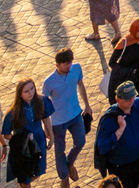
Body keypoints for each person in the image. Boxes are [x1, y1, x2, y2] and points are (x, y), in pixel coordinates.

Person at [91, 83, 139, 188]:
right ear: (118, 100)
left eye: (133, 97)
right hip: (120, 167)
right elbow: (102, 147)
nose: (131, 101)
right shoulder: (109, 118)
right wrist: (120, 130)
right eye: (127, 99)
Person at [41, 48, 90, 185]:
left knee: (80, 142)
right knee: (59, 150)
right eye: (65, 64)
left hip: (75, 114)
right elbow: (43, 104)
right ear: (57, 65)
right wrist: (47, 127)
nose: (68, 66)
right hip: (58, 121)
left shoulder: (76, 69)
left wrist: (87, 105)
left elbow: (80, 84)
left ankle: (69, 164)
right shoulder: (49, 82)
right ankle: (64, 178)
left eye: (69, 63)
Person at [2, 76, 53, 186]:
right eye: (26, 91)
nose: (30, 93)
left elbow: (45, 117)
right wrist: (20, 140)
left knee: (39, 170)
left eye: (32, 89)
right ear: (20, 94)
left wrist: (50, 135)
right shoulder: (13, 112)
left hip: (39, 141)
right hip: (24, 149)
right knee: (26, 176)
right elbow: (6, 133)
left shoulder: (41, 101)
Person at [104, 22, 139, 105]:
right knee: (127, 102)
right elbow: (112, 62)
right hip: (126, 79)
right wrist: (128, 72)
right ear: (134, 30)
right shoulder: (125, 42)